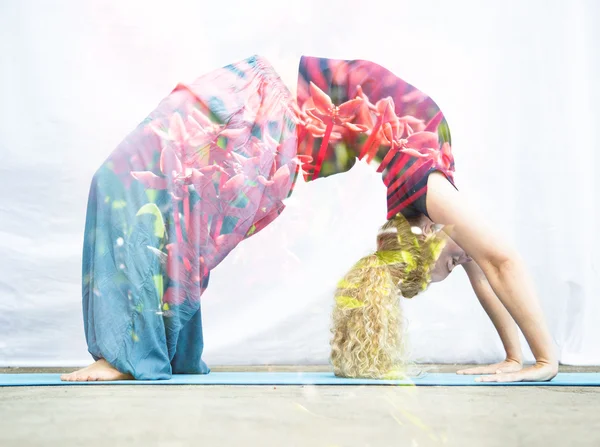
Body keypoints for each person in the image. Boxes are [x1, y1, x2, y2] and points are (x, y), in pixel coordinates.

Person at [61, 55, 557, 382]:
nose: (459, 264)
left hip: (266, 127)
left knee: (166, 211)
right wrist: (545, 360)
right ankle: (132, 354)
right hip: (259, 114)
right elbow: (501, 260)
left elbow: (485, 267)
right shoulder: (428, 192)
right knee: (122, 183)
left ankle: (136, 353)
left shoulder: (428, 196)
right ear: (426, 241)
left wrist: (515, 357)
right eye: (445, 269)